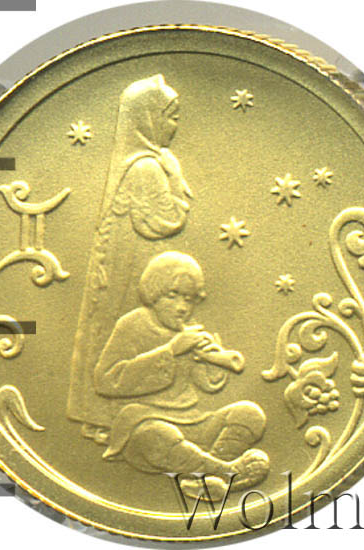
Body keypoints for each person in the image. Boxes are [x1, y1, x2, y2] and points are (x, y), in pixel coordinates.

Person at [67, 75, 193, 430]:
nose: (175, 126)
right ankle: (108, 418)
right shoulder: (146, 167)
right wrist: (175, 178)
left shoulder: (139, 162)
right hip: (130, 271)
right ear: (148, 119)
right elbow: (165, 221)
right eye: (171, 116)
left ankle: (101, 417)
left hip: (128, 266)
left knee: (111, 336)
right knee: (123, 337)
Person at [93, 252, 270, 495]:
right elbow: (106, 380)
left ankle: (205, 482)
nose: (182, 307)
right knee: (157, 436)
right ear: (153, 293)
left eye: (188, 299)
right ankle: (227, 472)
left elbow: (206, 384)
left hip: (190, 420)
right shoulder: (133, 324)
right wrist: (171, 351)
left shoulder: (187, 330)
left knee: (249, 414)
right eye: (172, 295)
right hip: (144, 423)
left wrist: (213, 362)